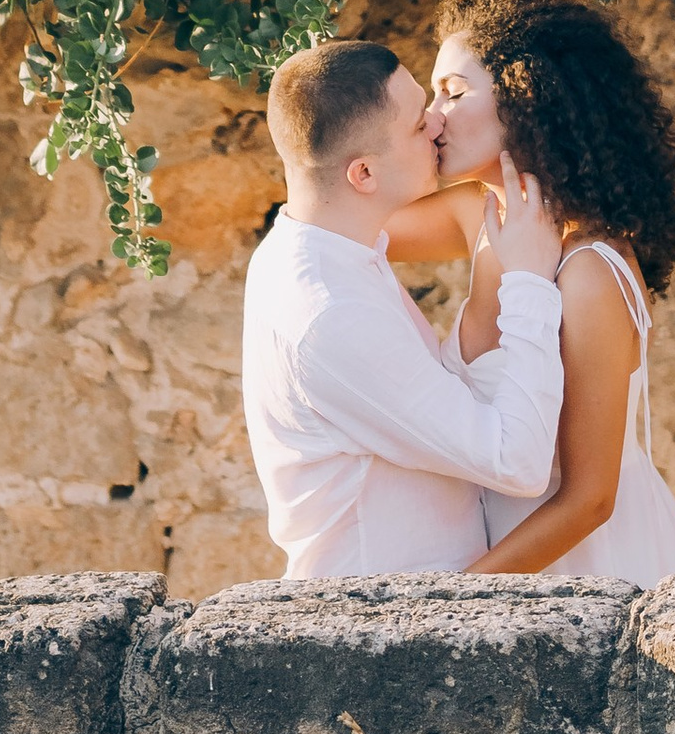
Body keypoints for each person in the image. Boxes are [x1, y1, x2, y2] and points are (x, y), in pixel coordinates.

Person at [386, 0, 675, 584]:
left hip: (592, 572)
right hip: (501, 567)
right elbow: (337, 223)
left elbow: (590, 499)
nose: (433, 116)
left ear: (527, 94)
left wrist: (450, 601)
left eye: (452, 93)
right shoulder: (474, 216)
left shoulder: (588, 272)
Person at [239, 37, 568, 580]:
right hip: (377, 635)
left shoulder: (324, 246)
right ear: (363, 174)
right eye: (418, 124)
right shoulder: (329, 313)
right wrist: (530, 279)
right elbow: (517, 463)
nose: (438, 123)